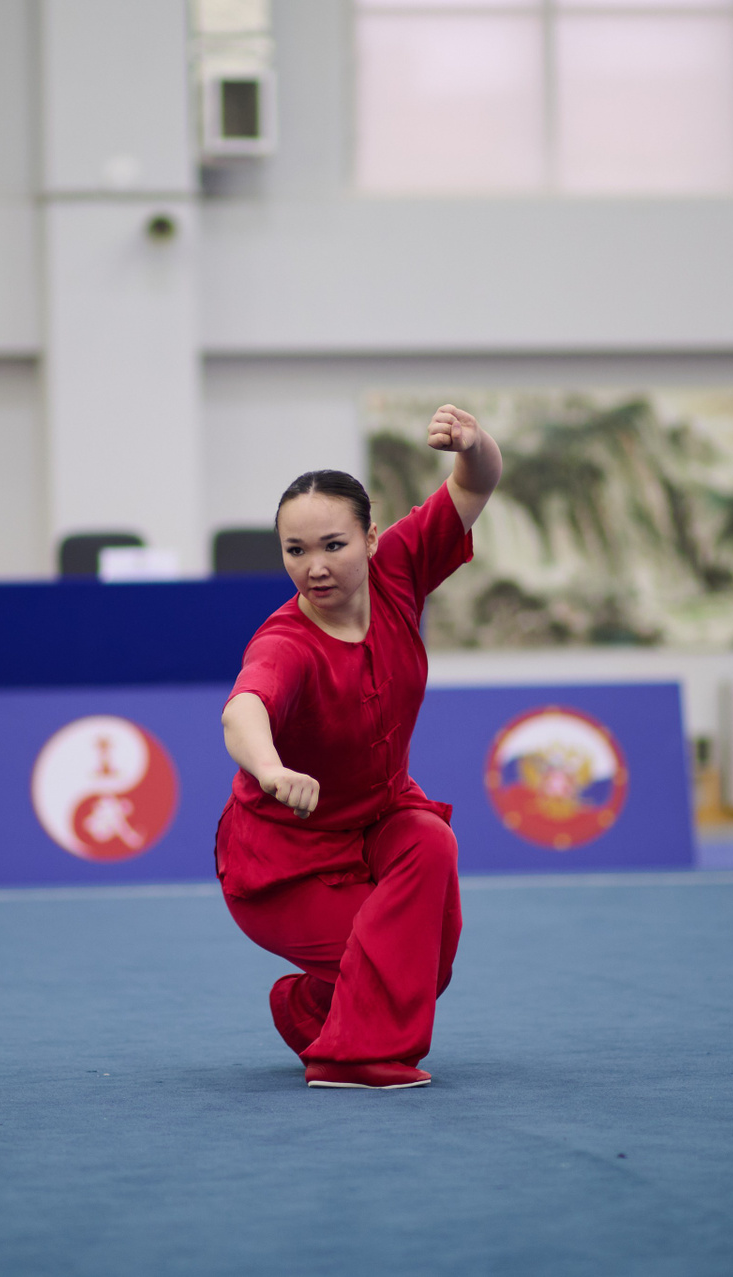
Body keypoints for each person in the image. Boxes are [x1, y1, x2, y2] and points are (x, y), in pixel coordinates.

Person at [218, 404, 502, 1090]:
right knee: (395, 960)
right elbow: (243, 710)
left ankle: (311, 1010)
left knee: (429, 864)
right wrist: (271, 768)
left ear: (371, 538)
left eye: (333, 545)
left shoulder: (399, 568)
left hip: (379, 817)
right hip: (286, 859)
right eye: (295, 551)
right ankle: (348, 1058)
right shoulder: (286, 643)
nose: (314, 567)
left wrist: (473, 444)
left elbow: (476, 484)